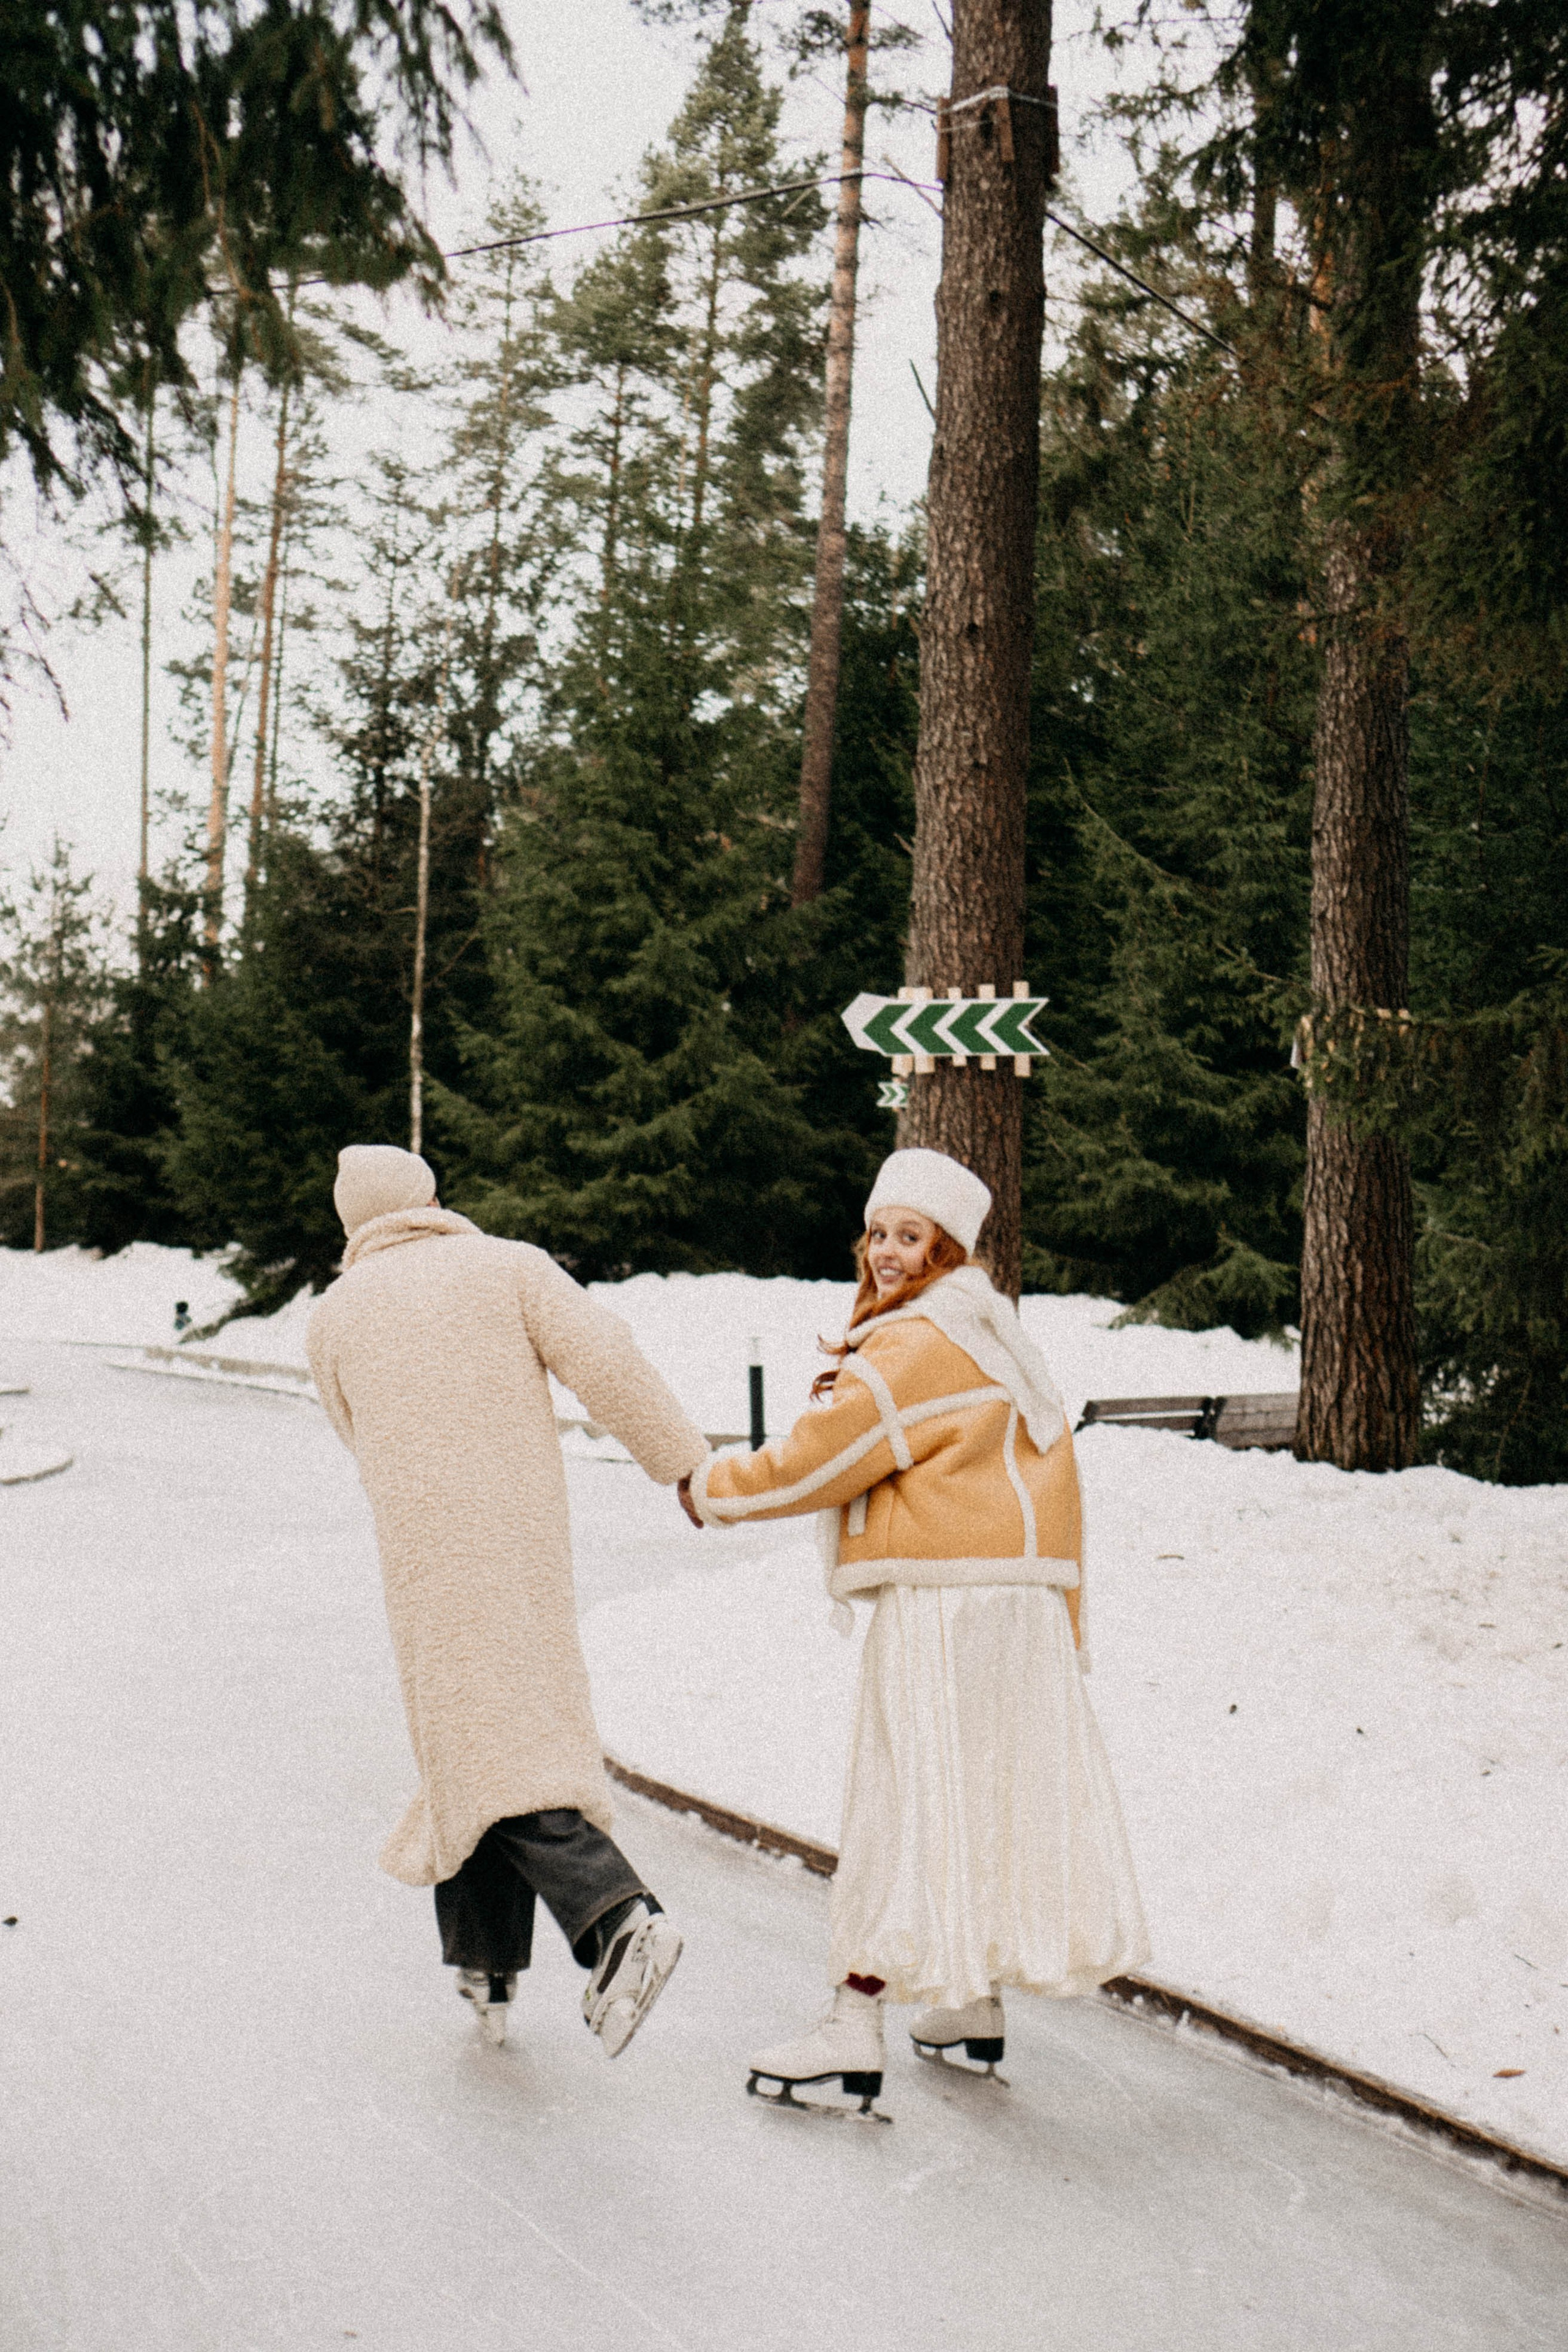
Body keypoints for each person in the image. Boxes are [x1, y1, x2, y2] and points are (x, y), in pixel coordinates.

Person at [679, 1147, 1148, 2111]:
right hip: (1013, 1605)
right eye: (879, 1233)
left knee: (901, 1799)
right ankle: (968, 2000)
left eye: (910, 1236)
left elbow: (819, 1460)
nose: (887, 1254)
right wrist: (1068, 1615)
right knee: (977, 1792)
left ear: (947, 1247)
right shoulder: (995, 1331)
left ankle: (852, 2026)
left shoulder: (914, 1344)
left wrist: (708, 1490)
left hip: (946, 1603)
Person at [307, 1144, 709, 2056]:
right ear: (431, 1200)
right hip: (524, 1535)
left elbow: (353, 1433)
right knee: (497, 1728)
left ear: (351, 1223)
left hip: (421, 1552)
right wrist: (680, 1461)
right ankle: (486, 1958)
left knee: (477, 1736)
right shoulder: (510, 1266)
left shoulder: (333, 1317)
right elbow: (608, 1361)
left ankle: (617, 1916)